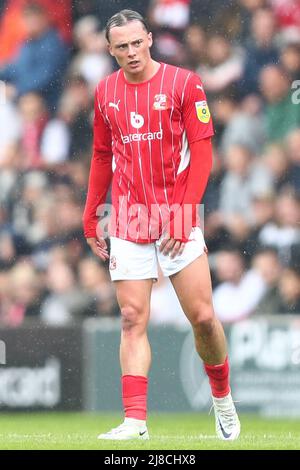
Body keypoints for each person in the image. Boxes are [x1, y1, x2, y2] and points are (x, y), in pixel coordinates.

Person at [83, 9, 240, 441]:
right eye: (122, 47)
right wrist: (91, 211)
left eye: (137, 43)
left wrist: (185, 212)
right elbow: (100, 156)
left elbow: (204, 153)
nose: (131, 53)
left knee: (203, 318)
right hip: (129, 215)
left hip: (178, 212)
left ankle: (223, 399)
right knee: (132, 317)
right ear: (110, 50)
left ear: (150, 39)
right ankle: (135, 422)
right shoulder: (105, 92)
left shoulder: (185, 83)